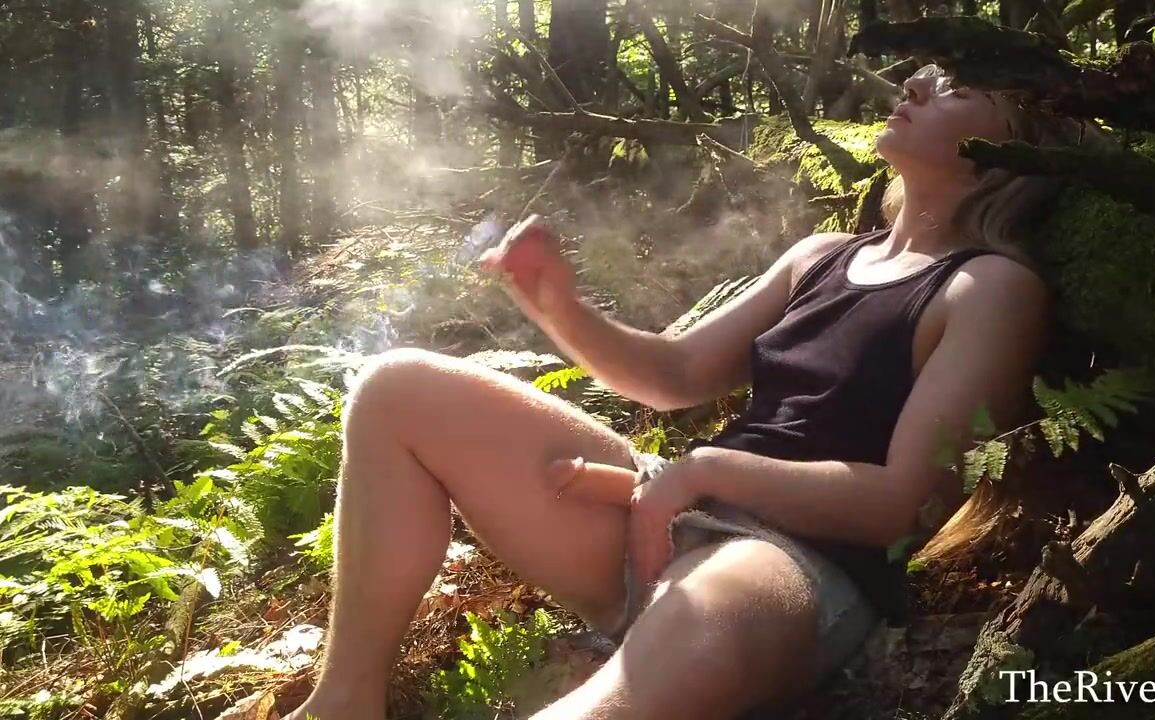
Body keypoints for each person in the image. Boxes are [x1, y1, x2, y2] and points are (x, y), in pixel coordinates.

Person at [283, 64, 1098, 720]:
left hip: (792, 568)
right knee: (395, 389)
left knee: (673, 643)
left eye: (959, 88)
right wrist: (560, 308)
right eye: (928, 74)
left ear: (1018, 150)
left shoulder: (988, 289)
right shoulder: (821, 256)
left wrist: (705, 471)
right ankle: (345, 700)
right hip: (664, 514)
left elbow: (901, 506)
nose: (915, 84)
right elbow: (672, 375)